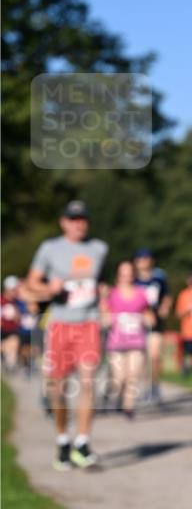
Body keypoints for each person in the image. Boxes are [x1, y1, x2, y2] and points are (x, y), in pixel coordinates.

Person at [26, 200, 108, 470]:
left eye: (83, 218)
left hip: (88, 323)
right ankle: (63, 441)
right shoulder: (50, 248)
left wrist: (105, 301)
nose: (79, 223)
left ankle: (83, 443)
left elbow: (101, 282)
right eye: (73, 219)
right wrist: (50, 288)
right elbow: (31, 284)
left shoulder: (99, 249)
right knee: (58, 388)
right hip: (61, 324)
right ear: (63, 222)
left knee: (87, 381)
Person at [101, 261, 154, 419]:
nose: (127, 276)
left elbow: (149, 314)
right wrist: (108, 319)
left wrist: (147, 319)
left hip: (136, 340)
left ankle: (128, 407)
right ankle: (115, 396)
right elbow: (103, 314)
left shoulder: (141, 293)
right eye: (123, 273)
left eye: (130, 273)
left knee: (133, 375)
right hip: (116, 340)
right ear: (118, 275)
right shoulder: (111, 293)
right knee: (119, 377)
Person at [133, 249, 172, 403]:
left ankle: (155, 386)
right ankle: (145, 386)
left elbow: (167, 295)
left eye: (147, 259)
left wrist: (165, 307)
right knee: (141, 358)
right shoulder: (133, 280)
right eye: (141, 259)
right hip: (137, 322)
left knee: (154, 356)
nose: (144, 262)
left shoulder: (159, 278)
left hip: (155, 321)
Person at [1, 276, 22, 371]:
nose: (15, 292)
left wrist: (16, 314)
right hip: (2, 331)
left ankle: (9, 369)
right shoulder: (1, 300)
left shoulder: (17, 302)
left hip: (11, 331)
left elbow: (18, 320)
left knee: (14, 342)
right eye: (13, 290)